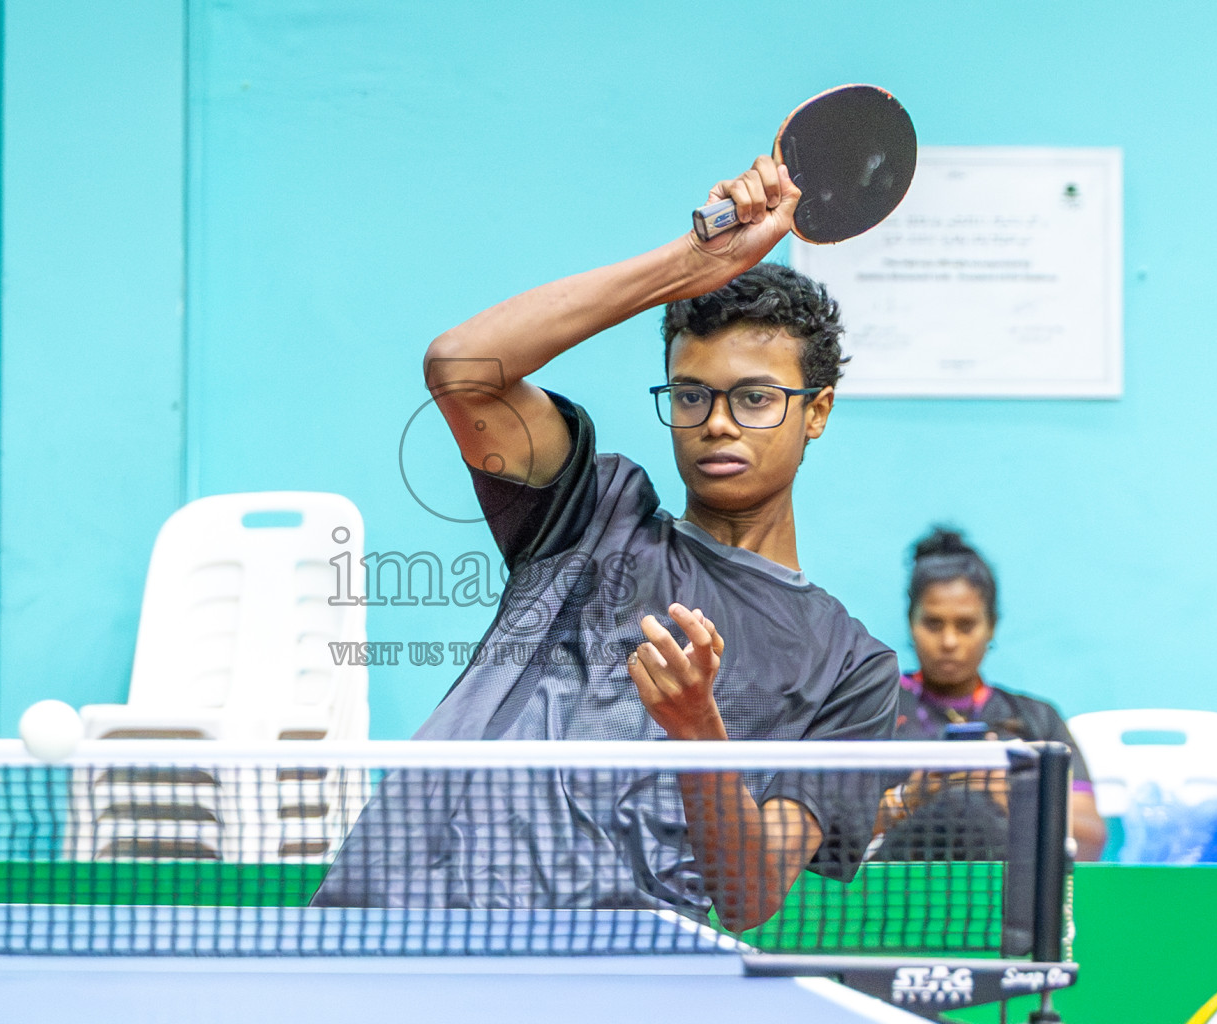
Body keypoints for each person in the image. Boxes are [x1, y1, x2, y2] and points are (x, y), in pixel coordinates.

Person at [313, 156, 900, 931]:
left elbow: (751, 896)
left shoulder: (851, 667)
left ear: (815, 410)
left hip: (600, 969)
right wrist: (688, 265)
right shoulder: (593, 513)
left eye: (755, 398)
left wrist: (697, 729)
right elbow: (460, 369)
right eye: (691, 395)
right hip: (395, 923)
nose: (717, 423)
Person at [874, 528, 1108, 861]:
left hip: (1009, 887)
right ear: (911, 623)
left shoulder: (1038, 721)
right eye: (934, 624)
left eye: (966, 625)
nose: (949, 642)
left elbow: (1090, 838)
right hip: (901, 883)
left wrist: (1009, 795)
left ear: (992, 626)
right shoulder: (875, 710)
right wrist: (909, 797)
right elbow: (830, 838)